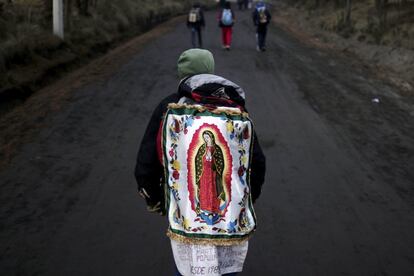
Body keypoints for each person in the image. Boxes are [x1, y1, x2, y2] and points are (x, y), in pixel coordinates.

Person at [135, 49, 266, 276]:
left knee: (190, 269)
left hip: (186, 214)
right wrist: (244, 200)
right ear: (210, 69)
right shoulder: (234, 109)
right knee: (227, 270)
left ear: (182, 73)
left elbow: (146, 163)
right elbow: (256, 162)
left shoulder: (169, 107)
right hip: (229, 215)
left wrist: (157, 200)